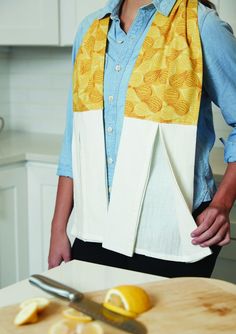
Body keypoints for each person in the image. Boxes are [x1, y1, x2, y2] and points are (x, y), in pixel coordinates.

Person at [48, 0, 236, 278]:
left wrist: (222, 203)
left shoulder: (200, 26)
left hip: (174, 230)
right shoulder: (89, 30)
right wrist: (58, 228)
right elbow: (75, 139)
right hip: (96, 229)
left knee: (164, 323)